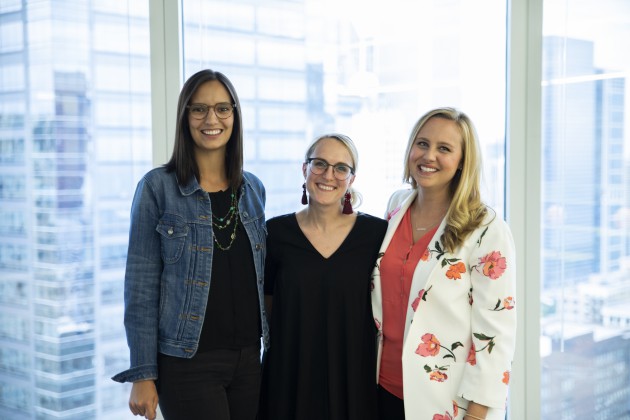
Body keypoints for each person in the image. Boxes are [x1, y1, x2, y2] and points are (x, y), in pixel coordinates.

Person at [112, 69, 269, 420]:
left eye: (222, 109)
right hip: (187, 364)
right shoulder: (157, 188)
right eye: (198, 109)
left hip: (248, 361)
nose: (211, 119)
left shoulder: (253, 189)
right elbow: (140, 288)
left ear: (235, 116)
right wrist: (143, 374)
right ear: (185, 117)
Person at [371, 107, 517, 420]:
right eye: (422, 144)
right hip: (381, 388)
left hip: (444, 401)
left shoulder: (487, 228)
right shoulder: (396, 205)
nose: (429, 156)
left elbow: (496, 332)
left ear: (463, 161)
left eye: (444, 149)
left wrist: (477, 414)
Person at [258, 134, 387, 420]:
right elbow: (267, 307)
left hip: (355, 381)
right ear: (304, 169)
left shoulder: (377, 235)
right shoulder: (275, 234)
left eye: (341, 168)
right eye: (319, 164)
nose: (329, 175)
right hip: (289, 378)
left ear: (351, 179)